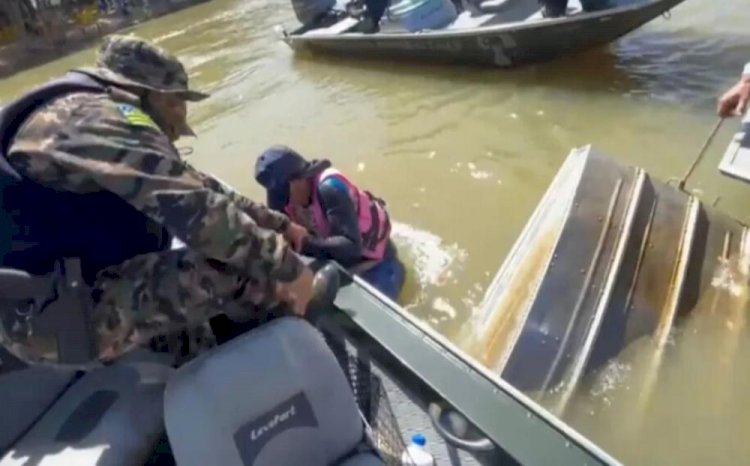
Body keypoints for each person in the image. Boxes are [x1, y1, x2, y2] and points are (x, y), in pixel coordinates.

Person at [0, 35, 320, 365]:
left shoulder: (77, 108)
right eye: (175, 101)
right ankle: (293, 325)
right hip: (51, 319)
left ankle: (201, 367)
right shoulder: (93, 116)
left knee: (190, 295)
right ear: (146, 92)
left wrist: (279, 223)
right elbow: (196, 210)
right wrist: (289, 268)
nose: (180, 117)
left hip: (69, 287)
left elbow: (194, 183)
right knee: (234, 267)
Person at [254, 145, 406, 301]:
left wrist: (304, 243)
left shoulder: (331, 188)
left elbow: (350, 247)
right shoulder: (284, 199)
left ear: (299, 178)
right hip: (337, 261)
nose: (284, 201)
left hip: (377, 264)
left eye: (284, 192)